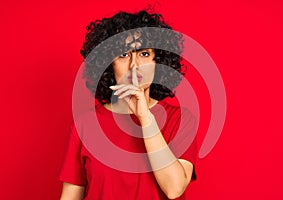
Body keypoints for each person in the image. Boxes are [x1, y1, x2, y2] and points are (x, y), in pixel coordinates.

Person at [59, 10, 199, 200]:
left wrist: (145, 118)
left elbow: (174, 189)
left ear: (157, 61)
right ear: (110, 64)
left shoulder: (180, 119)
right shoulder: (85, 125)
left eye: (144, 53)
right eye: (123, 54)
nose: (134, 65)